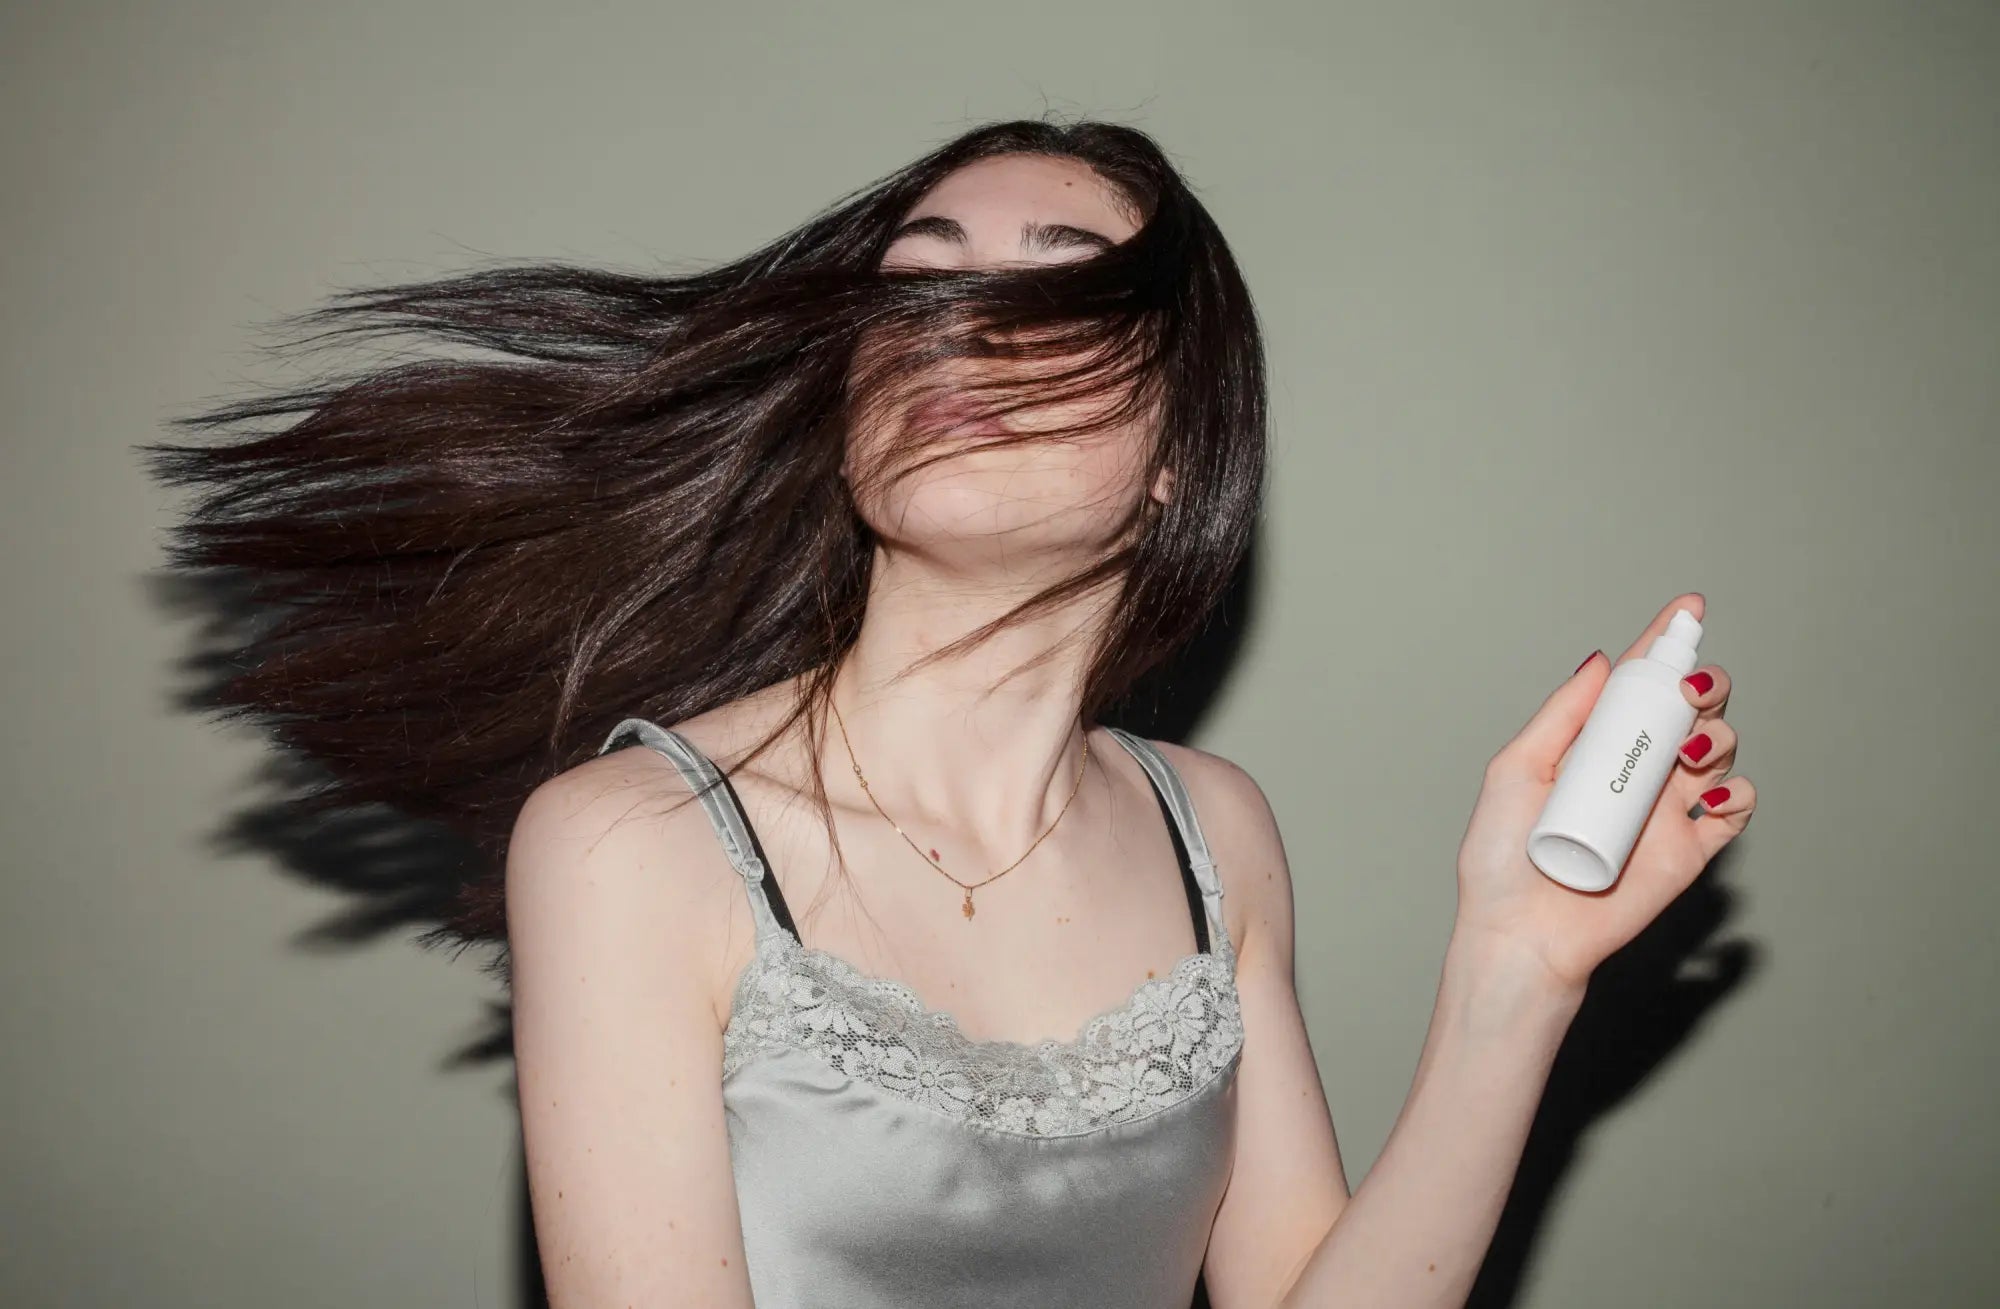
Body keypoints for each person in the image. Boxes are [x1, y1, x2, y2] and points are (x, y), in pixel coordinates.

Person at [146, 118, 1755, 1308]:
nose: (960, 324)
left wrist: (1515, 973)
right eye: (918, 285)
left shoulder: (1219, 832)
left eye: (1059, 293)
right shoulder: (630, 845)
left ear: (1185, 449)